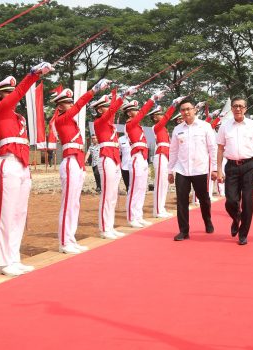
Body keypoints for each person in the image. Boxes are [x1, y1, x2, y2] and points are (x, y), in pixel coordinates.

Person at [0, 61, 53, 277]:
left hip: (22, 165)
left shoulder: (20, 118)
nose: (11, 97)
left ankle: (14, 257)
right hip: (7, 162)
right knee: (6, 214)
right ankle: (3, 261)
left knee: (19, 213)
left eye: (11, 93)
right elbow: (18, 94)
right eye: (6, 93)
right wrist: (33, 75)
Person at [51, 80, 109, 254]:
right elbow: (79, 106)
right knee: (68, 203)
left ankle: (70, 239)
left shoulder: (71, 121)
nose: (70, 104)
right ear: (59, 106)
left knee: (75, 203)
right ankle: (64, 242)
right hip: (70, 162)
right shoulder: (62, 119)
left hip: (77, 162)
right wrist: (93, 90)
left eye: (70, 101)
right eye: (67, 102)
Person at [216, 97, 253, 245]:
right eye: (235, 106)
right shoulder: (225, 126)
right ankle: (236, 217)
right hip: (231, 166)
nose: (238, 109)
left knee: (248, 200)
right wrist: (218, 169)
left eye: (241, 106)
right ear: (231, 108)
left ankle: (243, 233)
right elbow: (220, 149)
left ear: (246, 108)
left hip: (249, 165)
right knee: (230, 200)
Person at [168, 98, 217, 241]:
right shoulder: (177, 129)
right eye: (183, 110)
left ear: (195, 110)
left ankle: (207, 220)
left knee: (204, 199)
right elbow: (173, 151)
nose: (186, 112)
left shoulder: (205, 126)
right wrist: (170, 170)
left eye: (188, 109)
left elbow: (212, 148)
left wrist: (214, 168)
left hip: (200, 169)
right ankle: (184, 231)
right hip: (182, 170)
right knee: (181, 201)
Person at [93, 86, 138, 239]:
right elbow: (113, 110)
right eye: (106, 107)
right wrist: (123, 96)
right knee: (107, 194)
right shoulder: (99, 121)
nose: (110, 109)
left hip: (114, 157)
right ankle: (104, 228)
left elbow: (112, 111)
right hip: (106, 156)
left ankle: (110, 226)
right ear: (100, 110)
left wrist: (119, 96)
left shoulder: (109, 123)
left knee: (113, 195)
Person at [123, 90, 166, 228]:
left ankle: (138, 215)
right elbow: (142, 113)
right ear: (129, 113)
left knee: (141, 188)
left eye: (137, 109)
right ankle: (131, 217)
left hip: (143, 158)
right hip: (135, 157)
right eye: (134, 110)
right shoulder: (130, 124)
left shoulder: (138, 126)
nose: (137, 111)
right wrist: (152, 99)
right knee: (134, 188)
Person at [151, 98, 184, 218]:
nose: (162, 115)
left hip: (166, 155)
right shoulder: (157, 127)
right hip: (160, 155)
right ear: (154, 118)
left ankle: (161, 208)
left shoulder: (163, 129)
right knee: (160, 183)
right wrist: (174, 104)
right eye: (159, 114)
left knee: (164, 183)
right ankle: (158, 210)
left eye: (161, 113)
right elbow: (166, 118)